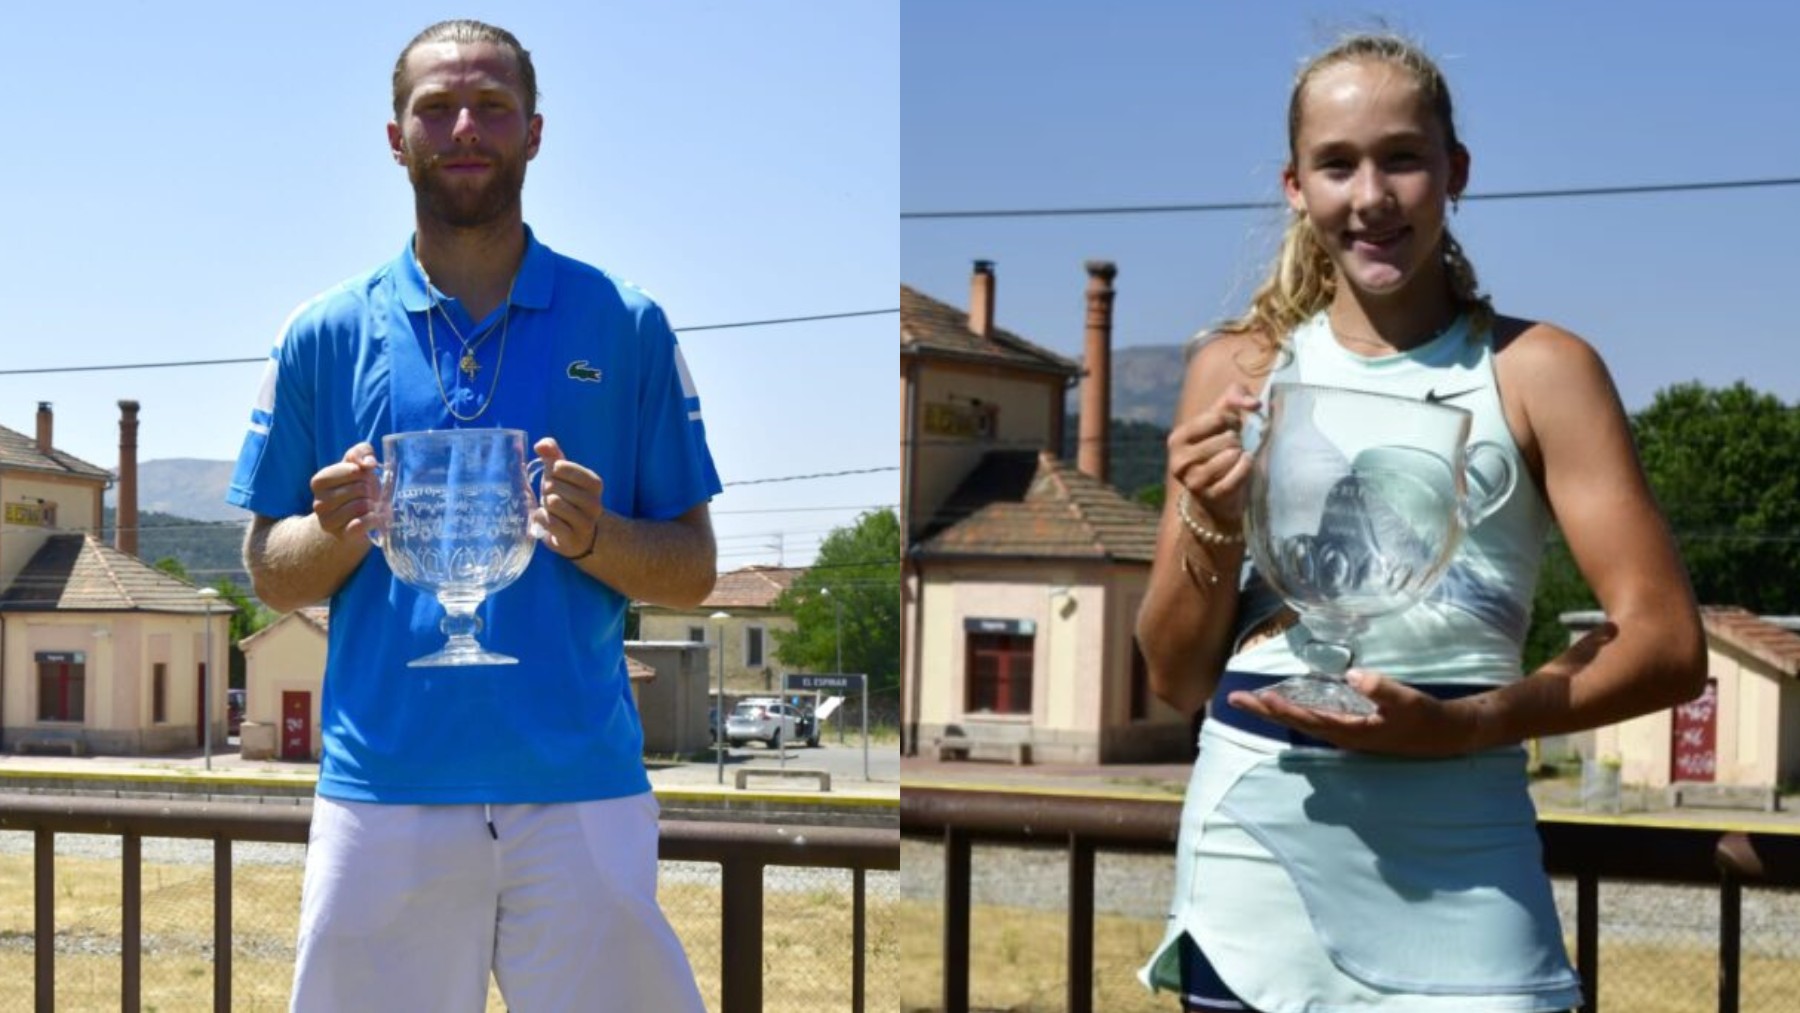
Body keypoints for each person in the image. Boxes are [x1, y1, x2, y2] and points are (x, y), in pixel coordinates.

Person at [1135, 32, 1706, 1012]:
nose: (1371, 195)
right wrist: (1211, 523)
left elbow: (1668, 646)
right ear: (1294, 186)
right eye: (1337, 164)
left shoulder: (1541, 371)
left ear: (1456, 172)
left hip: (1466, 867)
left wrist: (1465, 723)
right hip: (1252, 872)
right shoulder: (1235, 373)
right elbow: (1175, 676)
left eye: (1402, 156)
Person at [228, 20, 718, 1012]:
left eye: (492, 106)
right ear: (395, 135)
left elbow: (694, 567)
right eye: (437, 107)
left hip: (580, 785)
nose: (465, 127)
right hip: (384, 787)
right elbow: (267, 570)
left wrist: (600, 537)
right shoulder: (321, 332)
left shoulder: (625, 322)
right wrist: (335, 529)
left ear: (534, 132)